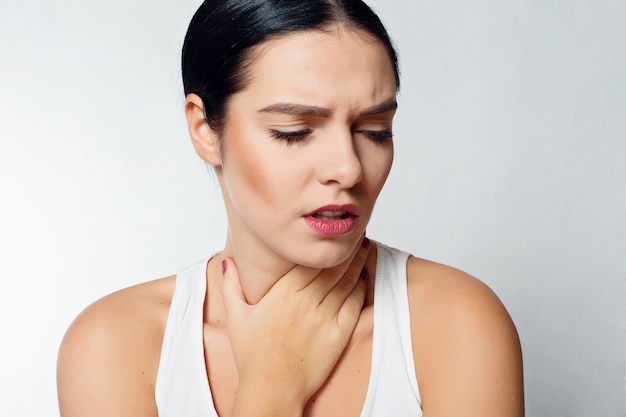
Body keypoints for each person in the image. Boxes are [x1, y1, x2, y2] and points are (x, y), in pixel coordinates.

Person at [57, 1, 524, 416]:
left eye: (375, 130)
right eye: (294, 131)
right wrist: (272, 385)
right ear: (204, 129)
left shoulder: (454, 322)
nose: (348, 169)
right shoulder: (115, 346)